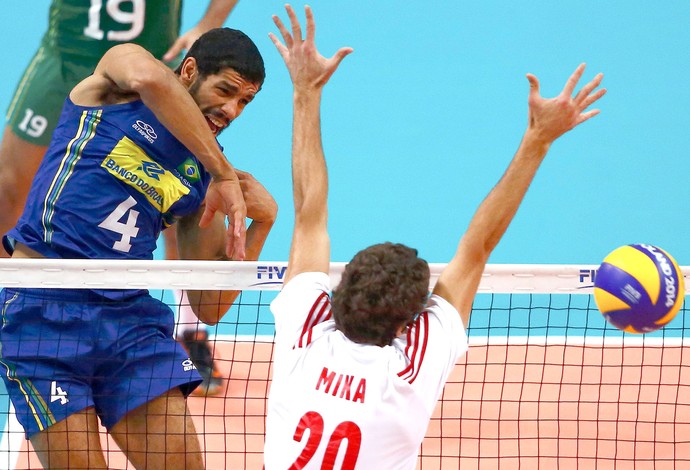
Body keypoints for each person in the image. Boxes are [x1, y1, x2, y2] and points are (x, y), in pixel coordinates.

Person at [263, 5, 606, 468]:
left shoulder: (305, 330)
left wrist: (305, 91)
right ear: (408, 324)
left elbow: (309, 215)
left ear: (341, 292)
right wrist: (537, 141)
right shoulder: (411, 369)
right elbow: (476, 248)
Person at [0, 26, 276, 469]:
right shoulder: (114, 86)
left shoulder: (198, 176)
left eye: (245, 102)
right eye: (225, 91)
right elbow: (152, 80)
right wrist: (223, 171)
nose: (231, 110)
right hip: (41, 311)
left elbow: (210, 304)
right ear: (189, 70)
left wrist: (262, 223)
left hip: (128, 322)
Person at [0, 0, 241, 396]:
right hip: (70, 55)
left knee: (177, 199)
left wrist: (211, 21)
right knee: (9, 189)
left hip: (159, 58)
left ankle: (189, 328)